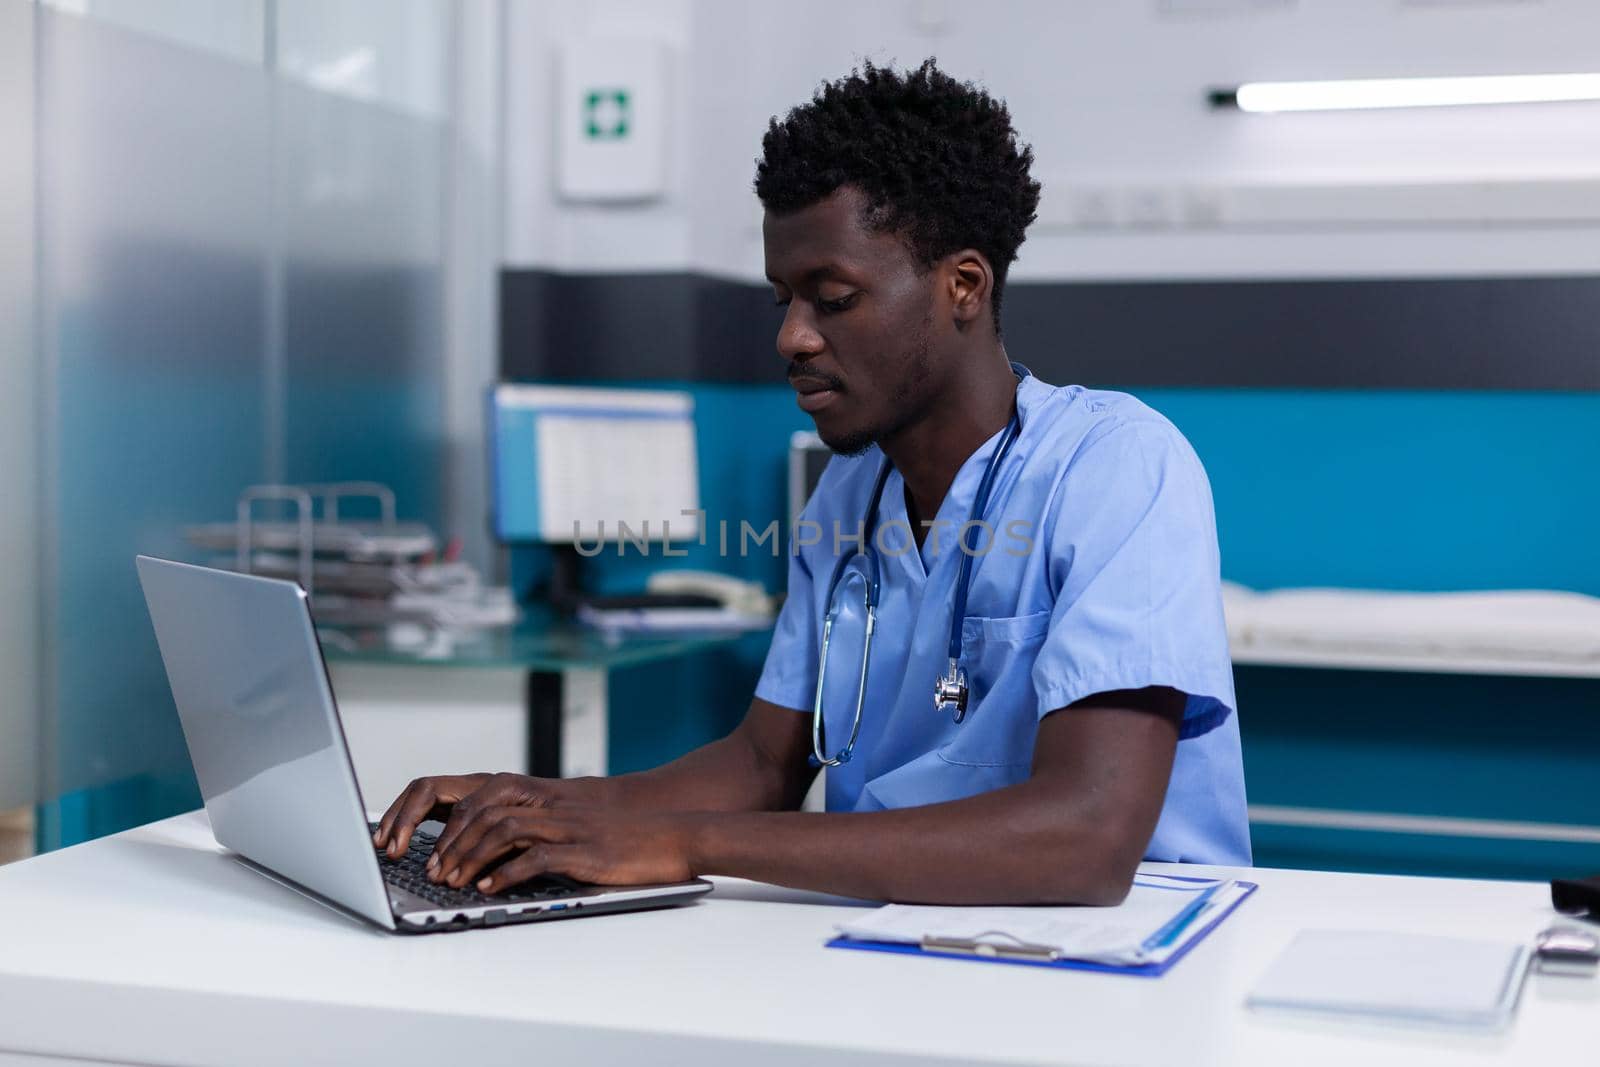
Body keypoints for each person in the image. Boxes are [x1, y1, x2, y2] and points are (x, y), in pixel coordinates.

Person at [374, 59, 1248, 905]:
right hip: (903, 935)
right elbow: (762, 765)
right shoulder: (849, 495)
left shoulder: (1116, 467)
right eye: (781, 299)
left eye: (830, 298)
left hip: (1124, 960)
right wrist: (541, 803)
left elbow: (1086, 839)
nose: (791, 337)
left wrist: (684, 842)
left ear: (964, 287)